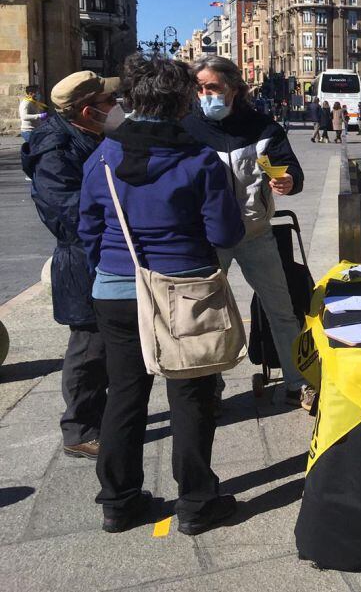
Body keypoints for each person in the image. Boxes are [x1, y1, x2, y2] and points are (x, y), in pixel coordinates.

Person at [78, 54, 245, 535]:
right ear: (182, 103)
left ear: (132, 99)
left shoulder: (103, 157)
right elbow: (226, 232)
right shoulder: (198, 160)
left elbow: (87, 228)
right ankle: (196, 502)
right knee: (191, 395)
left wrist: (110, 270)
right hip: (183, 288)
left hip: (114, 288)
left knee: (125, 393)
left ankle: (119, 500)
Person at [183, 55, 316, 411]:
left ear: (234, 89)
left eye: (213, 87)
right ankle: (210, 385)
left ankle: (297, 382)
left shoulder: (263, 127)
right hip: (208, 238)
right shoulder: (186, 129)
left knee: (282, 309)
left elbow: (292, 171)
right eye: (200, 88)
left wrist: (289, 181)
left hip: (255, 233)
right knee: (207, 316)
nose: (205, 95)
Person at [21, 72, 122, 460]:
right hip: (82, 257)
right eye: (108, 102)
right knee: (88, 344)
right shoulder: (56, 147)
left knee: (104, 341)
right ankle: (79, 429)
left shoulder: (91, 134)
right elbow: (64, 211)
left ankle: (101, 415)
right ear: (87, 111)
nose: (115, 108)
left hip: (102, 250)